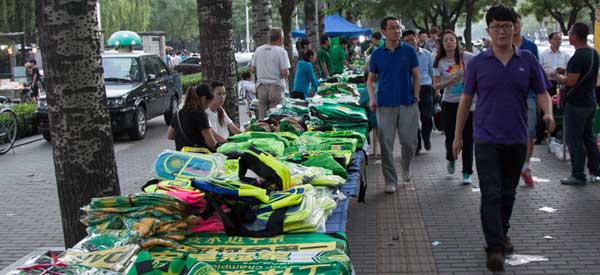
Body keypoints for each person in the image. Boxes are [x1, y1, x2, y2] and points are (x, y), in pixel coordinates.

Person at [452, 4, 554, 271]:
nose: (502, 31)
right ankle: (494, 248)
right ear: (488, 30)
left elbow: (542, 92)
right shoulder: (478, 63)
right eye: (496, 26)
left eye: (507, 26)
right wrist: (457, 136)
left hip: (517, 138)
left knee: (508, 194)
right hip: (485, 138)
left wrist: (548, 113)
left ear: (515, 28)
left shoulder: (528, 60)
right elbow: (466, 99)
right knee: (491, 193)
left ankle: (502, 232)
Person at [368, 16, 421, 194]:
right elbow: (370, 80)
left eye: (398, 27)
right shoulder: (376, 54)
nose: (396, 31)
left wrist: (416, 96)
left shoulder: (409, 51)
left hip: (407, 102)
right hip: (384, 105)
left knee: (409, 142)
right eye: (392, 28)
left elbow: (416, 76)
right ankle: (390, 180)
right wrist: (372, 98)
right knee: (386, 144)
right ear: (383, 31)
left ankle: (406, 166)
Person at [554, 22, 600, 185]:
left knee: (575, 139)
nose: (569, 35)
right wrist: (565, 71)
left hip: (576, 104)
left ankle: (578, 174)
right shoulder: (593, 53)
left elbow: (572, 81)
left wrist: (557, 77)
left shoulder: (578, 56)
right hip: (590, 102)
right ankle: (596, 171)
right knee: (589, 138)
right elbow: (582, 76)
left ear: (575, 35)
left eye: (571, 32)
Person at [433, 30, 476, 184]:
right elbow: (436, 85)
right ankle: (451, 158)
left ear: (456, 42)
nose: (449, 43)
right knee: (450, 136)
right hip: (449, 103)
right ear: (442, 44)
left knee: (468, 138)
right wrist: (449, 82)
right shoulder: (438, 62)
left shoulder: (467, 57)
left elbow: (481, 66)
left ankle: (467, 172)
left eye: (451, 40)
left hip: (468, 104)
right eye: (445, 41)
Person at [512, 12, 540, 186]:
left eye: (517, 23)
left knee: (530, 133)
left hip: (528, 96)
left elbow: (536, 73)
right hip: (508, 98)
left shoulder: (530, 47)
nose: (515, 26)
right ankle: (515, 165)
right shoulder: (500, 46)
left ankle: (526, 165)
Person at [402, 30, 434, 156]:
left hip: (425, 88)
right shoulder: (401, 55)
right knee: (412, 119)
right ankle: (418, 144)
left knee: (427, 117)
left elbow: (432, 73)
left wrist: (435, 89)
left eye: (412, 39)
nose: (410, 42)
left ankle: (426, 137)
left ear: (417, 39)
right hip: (408, 88)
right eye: (407, 41)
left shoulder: (426, 54)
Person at [250, 28, 291, 119]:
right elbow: (285, 72)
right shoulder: (281, 52)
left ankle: (263, 131)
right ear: (281, 38)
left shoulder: (258, 50)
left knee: (262, 117)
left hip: (261, 87)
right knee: (275, 116)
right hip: (276, 87)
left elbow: (252, 69)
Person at [168, 84, 219, 151]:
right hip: (197, 157)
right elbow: (211, 143)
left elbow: (170, 136)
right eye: (208, 103)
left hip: (181, 156)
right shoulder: (201, 114)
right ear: (203, 99)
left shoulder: (178, 113)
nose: (207, 107)